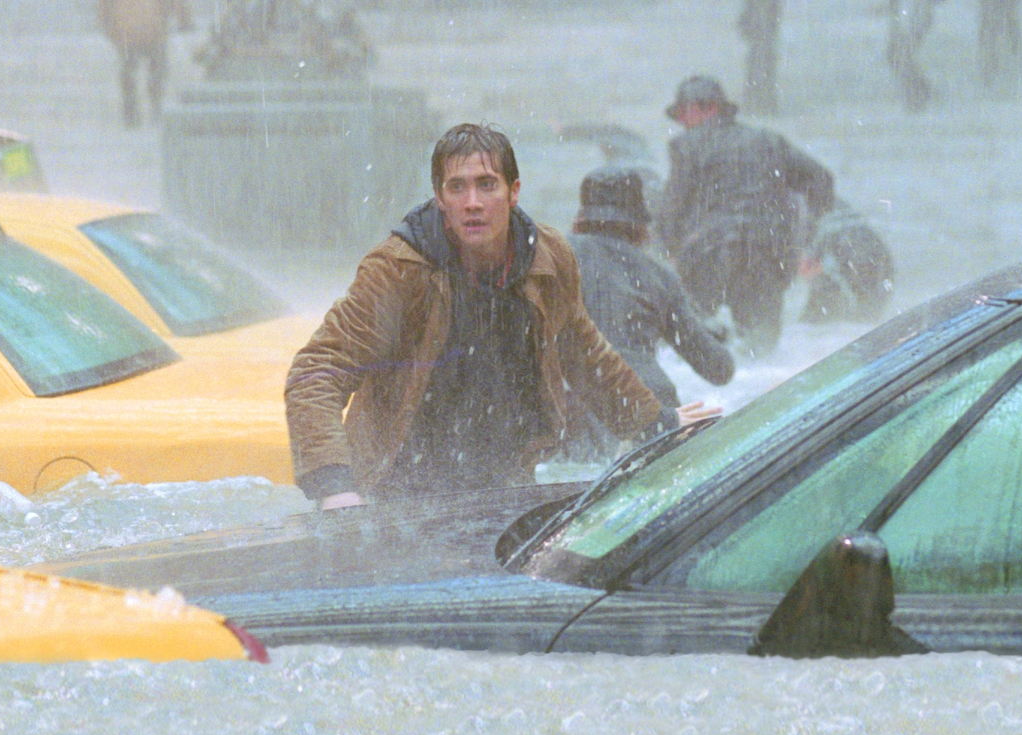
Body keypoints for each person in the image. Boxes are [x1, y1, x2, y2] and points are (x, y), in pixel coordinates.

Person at [285, 123, 720, 509]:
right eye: (457, 187)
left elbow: (586, 355)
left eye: (487, 185)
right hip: (394, 491)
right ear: (440, 199)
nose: (472, 202)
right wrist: (334, 486)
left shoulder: (549, 259)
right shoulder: (399, 271)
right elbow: (317, 370)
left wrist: (657, 423)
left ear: (513, 192)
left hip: (502, 485)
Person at [565, 164, 735, 459]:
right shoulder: (659, 275)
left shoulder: (556, 255)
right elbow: (719, 369)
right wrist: (717, 334)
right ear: (642, 223)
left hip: (575, 410)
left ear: (580, 217)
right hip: (654, 409)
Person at [657, 75, 834, 356]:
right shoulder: (768, 141)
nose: (680, 122)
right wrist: (810, 241)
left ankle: (710, 391)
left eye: (682, 113)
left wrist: (666, 249)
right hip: (765, 251)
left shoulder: (688, 145)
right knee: (760, 347)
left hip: (707, 251)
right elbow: (821, 180)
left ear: (707, 108)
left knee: (689, 341)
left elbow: (672, 205)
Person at [797, 198, 895, 324]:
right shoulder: (827, 202)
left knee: (819, 324)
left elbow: (808, 265)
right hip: (881, 261)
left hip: (852, 261)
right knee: (867, 322)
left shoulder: (802, 217)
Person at [99, 0, 190, 128]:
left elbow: (105, 6)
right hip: (154, 30)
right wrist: (184, 19)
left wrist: (108, 26)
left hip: (126, 30)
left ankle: (131, 114)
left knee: (128, 72)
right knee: (157, 70)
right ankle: (156, 107)